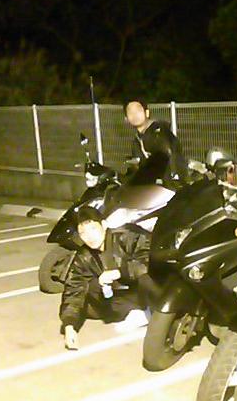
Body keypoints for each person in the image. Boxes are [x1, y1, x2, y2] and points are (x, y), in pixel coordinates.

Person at [60, 206, 149, 350]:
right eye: (83, 233)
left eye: (93, 229)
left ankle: (149, 312)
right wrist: (69, 326)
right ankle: (133, 311)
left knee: (148, 278)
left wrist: (120, 272)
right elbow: (74, 288)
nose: (89, 236)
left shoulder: (128, 236)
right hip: (121, 294)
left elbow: (150, 262)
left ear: (104, 225)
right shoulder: (84, 255)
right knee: (87, 299)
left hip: (145, 289)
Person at [124, 100, 188, 181]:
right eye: (131, 112)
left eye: (138, 110)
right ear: (126, 119)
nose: (135, 115)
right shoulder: (137, 139)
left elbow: (169, 157)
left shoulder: (159, 132)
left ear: (147, 113)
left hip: (170, 182)